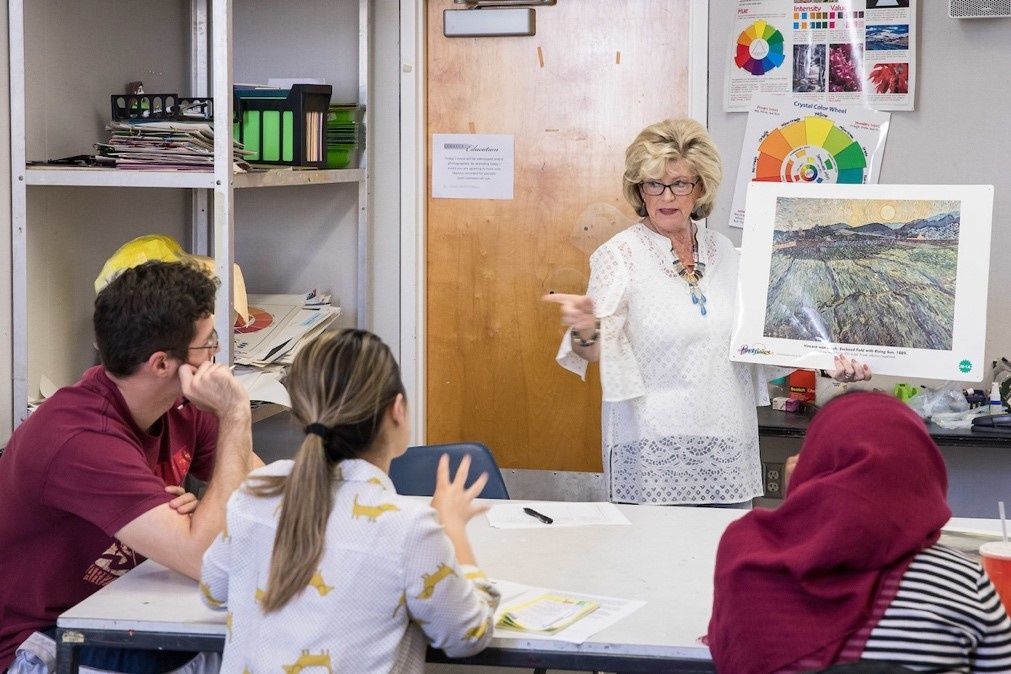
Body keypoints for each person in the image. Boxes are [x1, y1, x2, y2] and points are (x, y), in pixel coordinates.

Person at [542, 117, 869, 506]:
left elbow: (753, 344)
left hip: (726, 444)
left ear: (699, 188)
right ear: (639, 188)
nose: (666, 197)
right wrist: (585, 328)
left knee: (722, 562)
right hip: (654, 453)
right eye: (654, 184)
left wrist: (823, 361)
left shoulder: (726, 253)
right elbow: (593, 351)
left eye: (679, 183)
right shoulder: (620, 256)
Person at [0, 260, 259, 673]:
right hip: (43, 644)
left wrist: (208, 514)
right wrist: (236, 416)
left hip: (129, 614)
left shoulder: (182, 407)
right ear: (161, 364)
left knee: (261, 643)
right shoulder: (80, 438)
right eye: (208, 344)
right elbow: (204, 558)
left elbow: (267, 496)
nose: (217, 354)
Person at [200, 328, 500, 673]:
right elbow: (467, 635)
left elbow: (212, 591)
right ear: (397, 410)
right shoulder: (408, 528)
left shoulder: (256, 490)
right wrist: (453, 530)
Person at [708, 391, 1011, 673]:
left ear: (813, 464)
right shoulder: (963, 582)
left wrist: (803, 505)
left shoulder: (745, 559)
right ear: (924, 470)